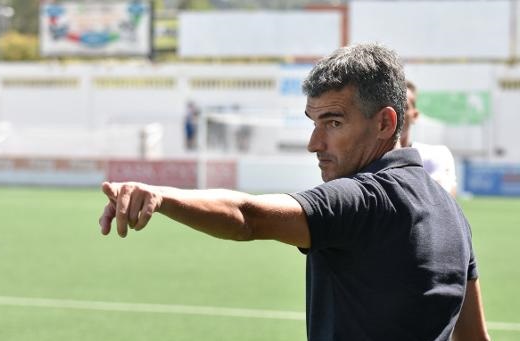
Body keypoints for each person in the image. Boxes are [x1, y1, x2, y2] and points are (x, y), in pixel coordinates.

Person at [98, 43, 490, 341]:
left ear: (386, 123)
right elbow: (474, 337)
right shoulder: (453, 214)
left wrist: (161, 196)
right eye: (314, 122)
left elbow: (248, 216)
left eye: (333, 122)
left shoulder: (362, 199)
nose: (314, 143)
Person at [401, 80, 458, 196]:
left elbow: (443, 203)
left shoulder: (436, 156)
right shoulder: (365, 159)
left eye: (403, 107)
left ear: (415, 115)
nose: (395, 113)